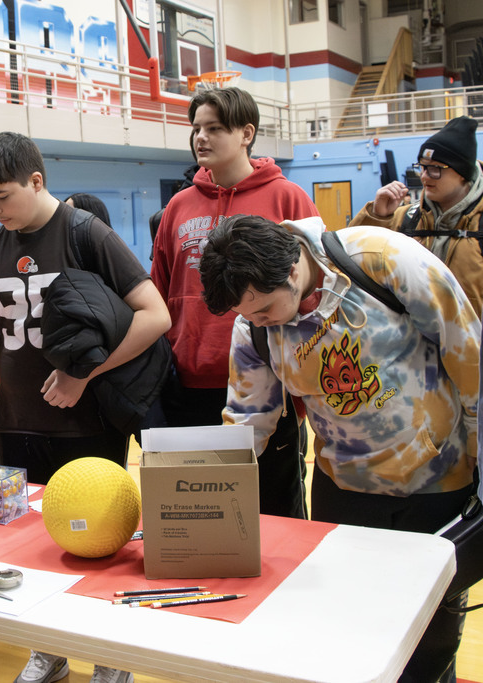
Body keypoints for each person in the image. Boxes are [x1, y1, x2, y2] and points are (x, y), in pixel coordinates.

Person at [0, 131, 170, 683]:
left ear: (36, 181)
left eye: (3, 196)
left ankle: (110, 655)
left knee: (95, 543)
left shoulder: (86, 232)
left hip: (85, 424)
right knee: (19, 545)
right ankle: (48, 647)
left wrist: (83, 373)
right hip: (13, 423)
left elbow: (155, 315)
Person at [199, 214, 479, 683]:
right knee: (351, 631)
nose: (256, 321)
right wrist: (200, 495)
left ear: (292, 270)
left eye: (264, 309)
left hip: (435, 480)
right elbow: (249, 419)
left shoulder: (382, 259)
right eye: (247, 315)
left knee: (431, 637)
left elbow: (469, 354)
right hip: (344, 491)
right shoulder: (253, 326)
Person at [150, 86, 319, 519]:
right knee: (198, 510)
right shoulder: (178, 206)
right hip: (191, 384)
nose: (200, 138)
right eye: (196, 129)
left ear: (246, 133)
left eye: (214, 128)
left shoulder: (288, 198)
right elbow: (160, 290)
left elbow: (314, 293)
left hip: (269, 383)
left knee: (273, 508)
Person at [349, 116, 483, 317]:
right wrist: (377, 215)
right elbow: (350, 259)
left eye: (435, 169)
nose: (424, 176)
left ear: (463, 173)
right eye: (422, 166)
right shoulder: (405, 220)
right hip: (414, 345)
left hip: (471, 345)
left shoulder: (478, 226)